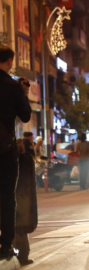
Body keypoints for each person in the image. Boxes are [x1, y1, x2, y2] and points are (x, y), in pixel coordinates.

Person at [0, 46, 31, 258]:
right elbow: (26, 116)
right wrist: (24, 93)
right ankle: (5, 246)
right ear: (9, 61)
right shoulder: (12, 87)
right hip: (5, 149)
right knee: (7, 197)